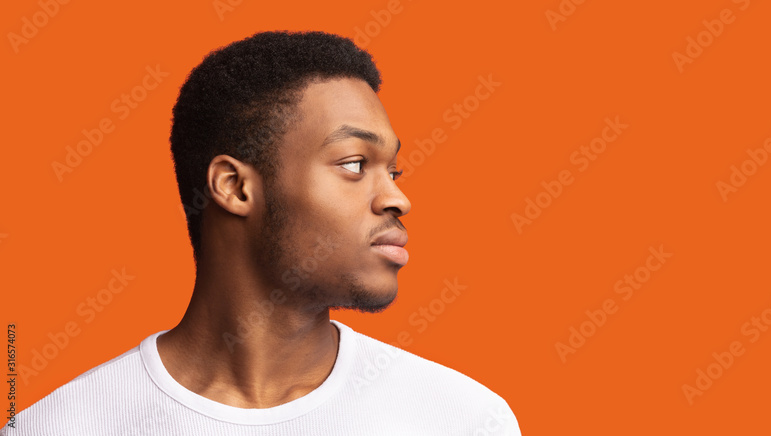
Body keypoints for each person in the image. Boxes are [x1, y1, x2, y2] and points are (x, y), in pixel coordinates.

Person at [4, 30, 520, 435]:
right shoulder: (61, 427)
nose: (396, 198)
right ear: (234, 187)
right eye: (355, 163)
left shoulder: (461, 421)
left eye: (394, 171)